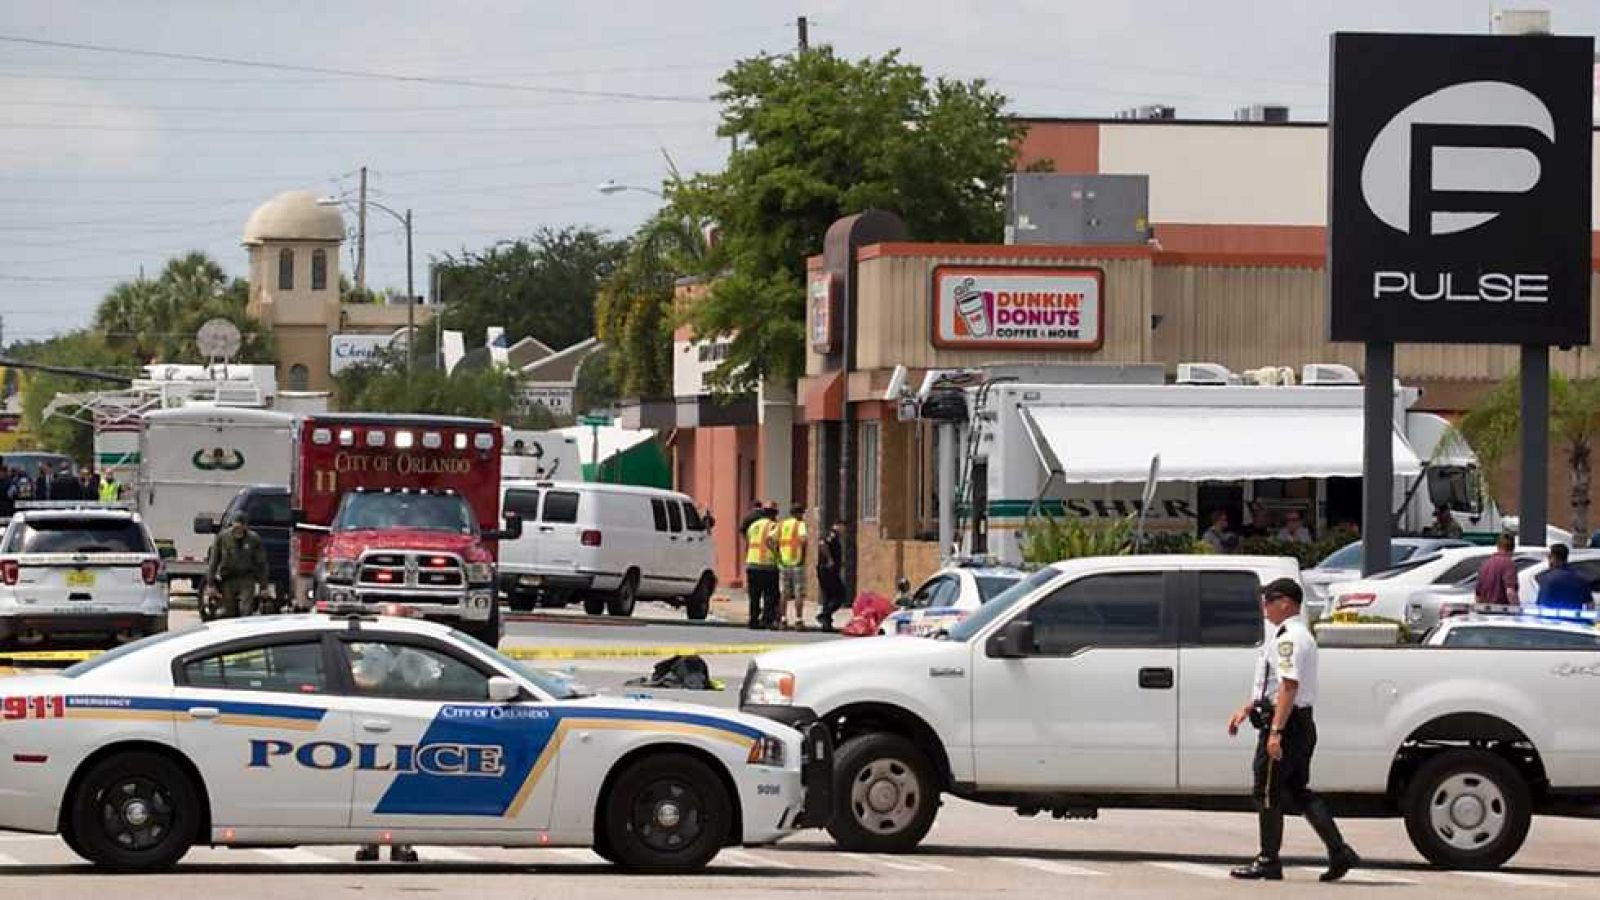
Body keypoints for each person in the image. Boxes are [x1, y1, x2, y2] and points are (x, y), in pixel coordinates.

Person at [1228, 578, 1359, 882]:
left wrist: (1275, 733)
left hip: (1286, 725)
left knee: (1267, 790)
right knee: (1298, 791)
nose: (1264, 607)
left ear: (1285, 602)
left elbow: (1289, 685)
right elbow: (1277, 685)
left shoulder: (1289, 638)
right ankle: (1340, 852)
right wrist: (1249, 707)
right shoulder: (1293, 635)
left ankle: (1268, 860)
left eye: (1269, 600)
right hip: (1299, 722)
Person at [350, 643, 420, 864]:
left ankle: (403, 844)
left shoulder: (415, 654)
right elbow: (359, 677)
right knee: (371, 784)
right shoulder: (372, 650)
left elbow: (430, 680)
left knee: (402, 787)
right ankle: (368, 843)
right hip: (374, 717)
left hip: (408, 718)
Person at [207, 512, 269, 618]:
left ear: (245, 526)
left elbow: (262, 563)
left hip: (247, 578)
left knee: (246, 610)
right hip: (228, 578)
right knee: (229, 612)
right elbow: (214, 561)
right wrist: (211, 584)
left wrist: (264, 586)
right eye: (235, 527)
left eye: (240, 527)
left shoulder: (254, 539)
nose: (237, 530)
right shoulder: (223, 537)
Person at [744, 506, 780, 629]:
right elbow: (772, 542)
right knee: (769, 595)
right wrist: (778, 555)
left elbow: (748, 542)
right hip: (768, 565)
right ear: (773, 515)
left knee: (754, 596)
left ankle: (753, 620)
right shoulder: (774, 526)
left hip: (752, 564)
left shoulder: (753, 526)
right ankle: (766, 620)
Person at [777, 505, 809, 630]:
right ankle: (798, 620)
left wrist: (778, 555)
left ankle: (783, 620)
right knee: (798, 592)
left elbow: (770, 539)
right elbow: (803, 540)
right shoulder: (800, 524)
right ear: (798, 513)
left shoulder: (782, 524)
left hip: (783, 563)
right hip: (797, 563)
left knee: (784, 592)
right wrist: (803, 557)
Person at [1534, 543, 1591, 610]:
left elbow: (1541, 604)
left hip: (1550, 618)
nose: (1549, 560)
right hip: (1574, 619)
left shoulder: (1546, 578)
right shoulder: (1580, 579)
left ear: (1554, 558)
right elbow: (1590, 605)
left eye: (1549, 557)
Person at [816, 521, 847, 631]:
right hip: (828, 571)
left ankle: (826, 624)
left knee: (828, 597)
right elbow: (822, 544)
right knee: (841, 595)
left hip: (827, 570)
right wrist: (830, 559)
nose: (844, 531)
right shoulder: (832, 534)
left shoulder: (833, 535)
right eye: (843, 527)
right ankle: (824, 614)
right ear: (838, 526)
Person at [1474, 532, 1520, 607]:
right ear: (1513, 548)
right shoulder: (1509, 564)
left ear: (1498, 546)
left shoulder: (1485, 564)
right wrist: (1517, 609)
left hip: (1485, 612)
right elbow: (1510, 592)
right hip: (1502, 613)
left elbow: (1478, 595)